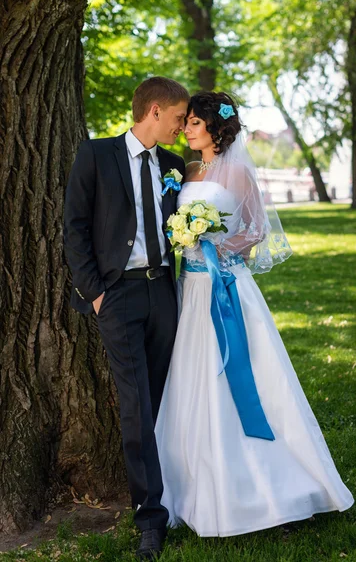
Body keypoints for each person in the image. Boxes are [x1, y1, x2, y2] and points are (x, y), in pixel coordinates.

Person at [155, 91, 354, 537]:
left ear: (214, 128)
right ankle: (192, 484)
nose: (186, 129)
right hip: (192, 290)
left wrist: (214, 245)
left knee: (242, 378)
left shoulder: (239, 171)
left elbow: (257, 229)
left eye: (193, 123)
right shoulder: (186, 171)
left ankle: (268, 487)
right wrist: (186, 237)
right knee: (195, 378)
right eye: (184, 122)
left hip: (226, 286)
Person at [64, 76, 189, 560]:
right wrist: (96, 294)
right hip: (118, 296)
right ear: (154, 111)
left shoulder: (175, 166)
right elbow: (73, 227)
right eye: (178, 118)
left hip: (166, 293)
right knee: (136, 405)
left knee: (164, 399)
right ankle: (150, 519)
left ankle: (179, 496)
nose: (181, 127)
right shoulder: (95, 155)